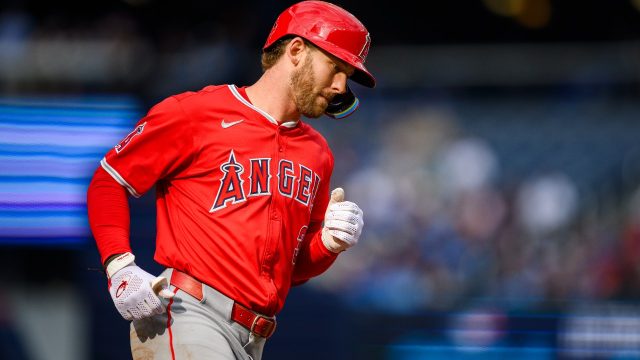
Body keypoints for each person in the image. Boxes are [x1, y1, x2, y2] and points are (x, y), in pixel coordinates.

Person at [86, 1, 374, 359]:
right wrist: (119, 265)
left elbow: (294, 267)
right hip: (190, 315)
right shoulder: (196, 113)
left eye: (347, 74)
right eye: (335, 67)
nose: (341, 86)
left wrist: (329, 244)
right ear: (297, 50)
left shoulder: (318, 153)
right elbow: (108, 179)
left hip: (254, 337)